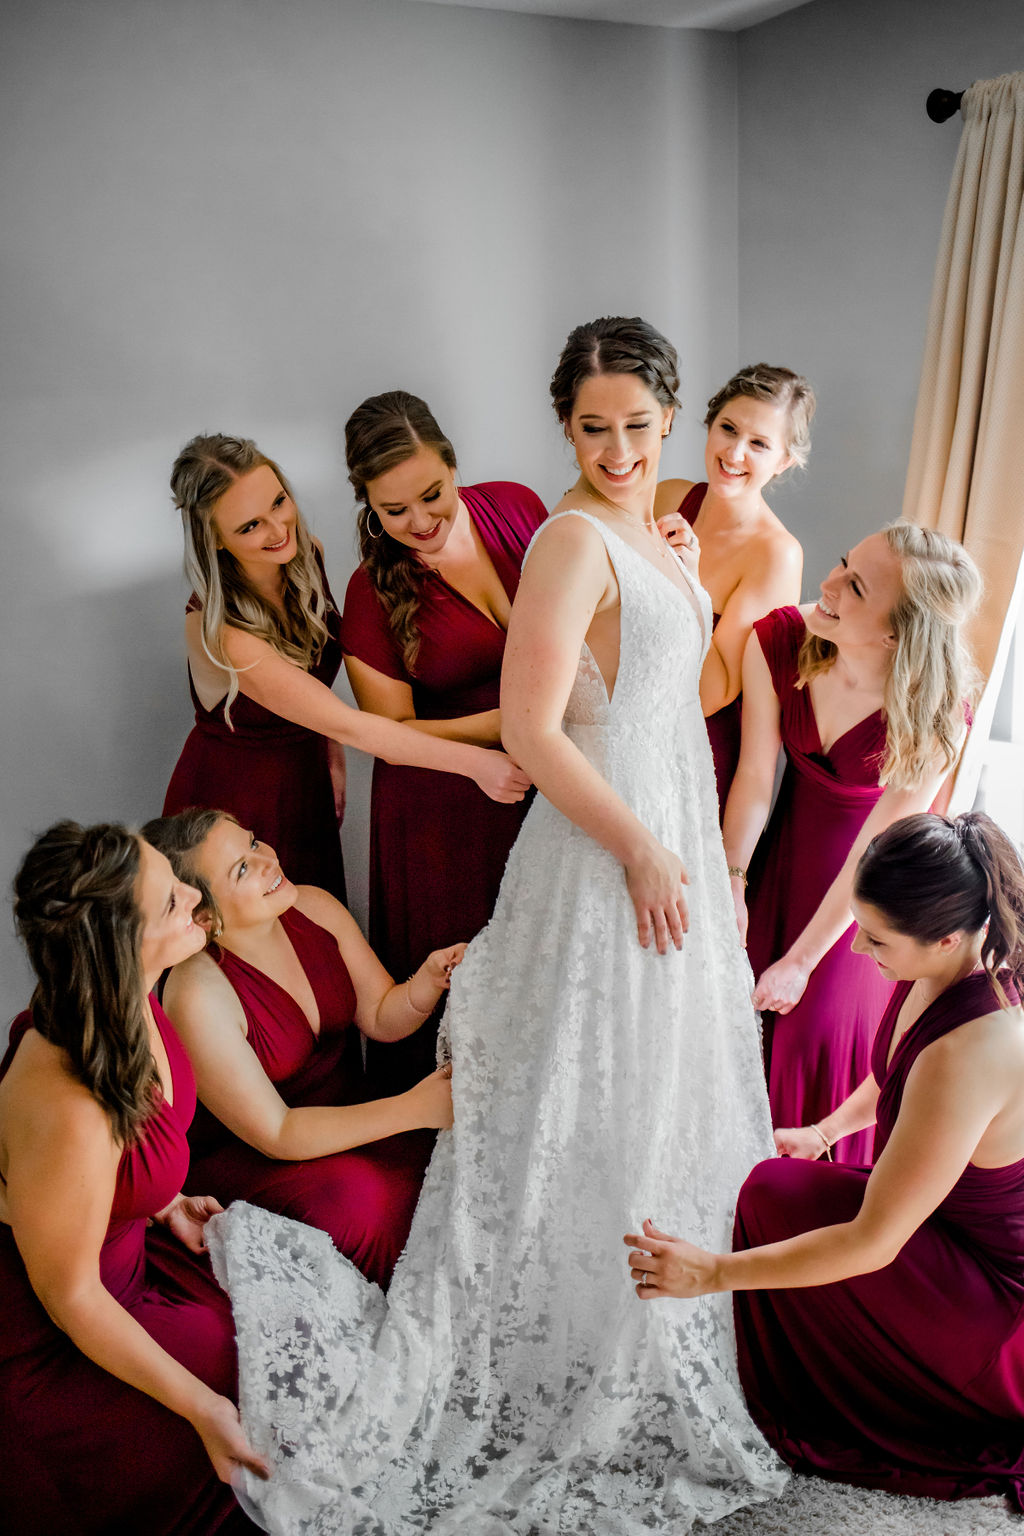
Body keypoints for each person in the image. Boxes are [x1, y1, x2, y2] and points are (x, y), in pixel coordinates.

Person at [208, 317, 787, 1534]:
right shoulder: (560, 539)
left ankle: (665, 1306)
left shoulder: (624, 523)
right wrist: (636, 846)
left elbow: (682, 690)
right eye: (593, 427)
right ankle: (569, 1331)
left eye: (638, 425)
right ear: (561, 426)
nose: (620, 446)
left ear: (668, 421)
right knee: (576, 1089)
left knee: (649, 1087)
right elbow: (520, 727)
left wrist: (676, 558)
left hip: (641, 807)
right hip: (589, 828)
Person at [625, 811, 1024, 1509]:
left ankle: (857, 1398)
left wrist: (713, 1274)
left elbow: (872, 1243)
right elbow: (898, 1071)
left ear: (947, 936)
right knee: (773, 1190)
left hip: (996, 1315)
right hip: (949, 1237)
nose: (861, 951)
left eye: (876, 939)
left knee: (777, 1204)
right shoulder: (942, 965)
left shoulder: (975, 1050)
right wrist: (826, 1130)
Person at [0, 820, 268, 1535]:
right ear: (119, 949)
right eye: (174, 902)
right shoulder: (67, 1106)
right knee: (234, 1401)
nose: (194, 896)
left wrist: (162, 1204)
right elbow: (71, 1294)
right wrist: (201, 1410)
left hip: (127, 1259)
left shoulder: (129, 999)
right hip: (53, 1331)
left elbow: (124, 1152)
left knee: (265, 1338)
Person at [162, 434, 530, 902]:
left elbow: (309, 692)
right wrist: (479, 761)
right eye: (251, 525)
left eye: (279, 502)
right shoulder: (225, 633)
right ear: (214, 538)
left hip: (306, 781)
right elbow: (353, 724)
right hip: (235, 801)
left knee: (318, 932)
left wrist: (327, 752)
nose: (278, 529)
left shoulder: (302, 555)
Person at [722, 523, 980, 1162]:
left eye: (856, 586)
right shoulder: (780, 639)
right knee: (731, 1032)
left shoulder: (938, 711)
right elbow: (757, 775)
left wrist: (803, 961)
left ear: (897, 632)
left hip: (860, 904)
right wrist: (732, 880)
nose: (829, 583)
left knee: (811, 1046)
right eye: (842, 563)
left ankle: (788, 1219)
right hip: (774, 854)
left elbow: (878, 847)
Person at [145, 808, 461, 1288]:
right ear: (203, 913)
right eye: (243, 869)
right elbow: (279, 1131)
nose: (268, 860)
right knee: (361, 1206)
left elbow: (379, 1013)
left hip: (354, 1117)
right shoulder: (195, 992)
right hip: (267, 1154)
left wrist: (427, 983)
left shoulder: (313, 906)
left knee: (455, 1163)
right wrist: (413, 1108)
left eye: (252, 843)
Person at [339, 393, 546, 1089]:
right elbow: (390, 734)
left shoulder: (517, 507)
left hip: (540, 779)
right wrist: (510, 722)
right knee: (469, 981)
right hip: (442, 809)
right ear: (368, 503)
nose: (421, 522)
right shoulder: (370, 593)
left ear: (454, 463)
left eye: (433, 494)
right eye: (395, 511)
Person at [655, 364, 810, 811]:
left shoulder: (776, 555)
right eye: (728, 428)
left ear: (783, 461)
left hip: (690, 748)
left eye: (759, 444)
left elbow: (711, 693)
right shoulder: (669, 496)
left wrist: (682, 584)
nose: (735, 452)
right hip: (615, 714)